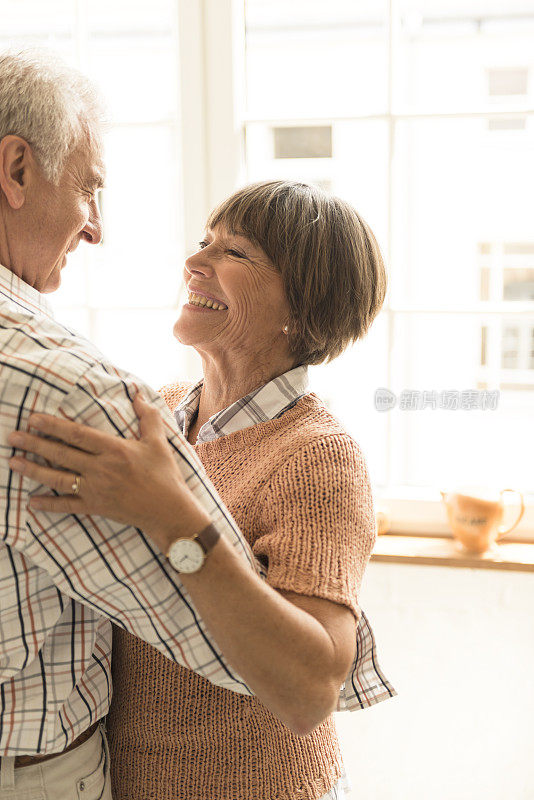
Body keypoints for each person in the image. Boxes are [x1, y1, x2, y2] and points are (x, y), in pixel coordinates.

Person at [10, 179, 397, 800]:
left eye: (235, 254)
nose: (195, 263)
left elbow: (309, 691)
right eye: (204, 243)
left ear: (305, 305)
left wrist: (171, 515)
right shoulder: (156, 411)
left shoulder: (318, 457)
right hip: (126, 780)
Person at [0, 48, 264, 799]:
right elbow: (261, 663)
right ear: (16, 170)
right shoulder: (74, 391)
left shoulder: (313, 454)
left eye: (235, 251)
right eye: (90, 190)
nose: (98, 230)